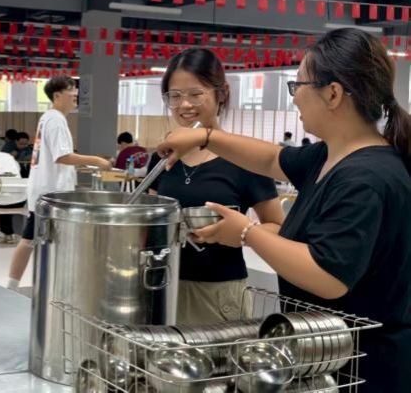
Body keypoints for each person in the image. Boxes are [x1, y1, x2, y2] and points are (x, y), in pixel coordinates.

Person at [158, 28, 411, 392]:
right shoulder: (329, 156)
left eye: (298, 86)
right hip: (327, 351)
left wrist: (246, 232)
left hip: (365, 366)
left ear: (333, 93)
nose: (295, 98)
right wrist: (206, 136)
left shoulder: (365, 178)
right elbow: (270, 158)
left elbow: (328, 275)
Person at [147, 48, 284, 324]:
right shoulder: (161, 159)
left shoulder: (244, 159)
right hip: (160, 285)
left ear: (221, 94)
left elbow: (279, 227)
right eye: (175, 96)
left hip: (219, 294)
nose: (184, 105)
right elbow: (149, 221)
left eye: (195, 94)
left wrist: (242, 232)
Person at [7, 75, 112, 290]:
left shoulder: (50, 118)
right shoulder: (55, 120)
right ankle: (24, 286)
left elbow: (59, 158)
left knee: (36, 240)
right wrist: (97, 160)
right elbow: (62, 156)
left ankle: (35, 285)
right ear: (57, 95)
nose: (75, 95)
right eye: (71, 90)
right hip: (50, 193)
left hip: (47, 190)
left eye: (75, 90)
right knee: (34, 240)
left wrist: (81, 166)